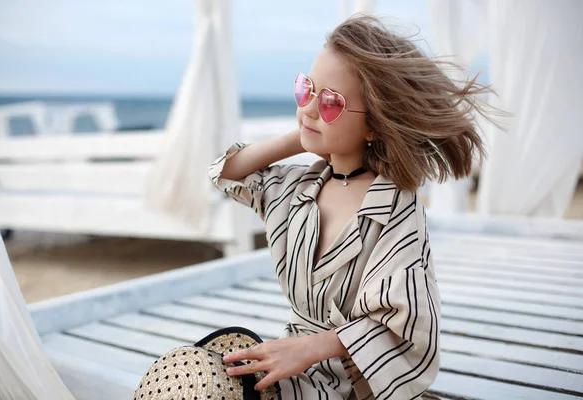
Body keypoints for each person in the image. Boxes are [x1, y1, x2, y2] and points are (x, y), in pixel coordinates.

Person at [208, 15, 500, 400]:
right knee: (192, 378)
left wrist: (313, 347)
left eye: (331, 102)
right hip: (290, 367)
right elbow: (227, 173)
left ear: (375, 125)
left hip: (357, 384)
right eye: (306, 89)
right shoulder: (302, 187)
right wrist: (305, 135)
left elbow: (408, 323)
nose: (311, 107)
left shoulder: (395, 209)